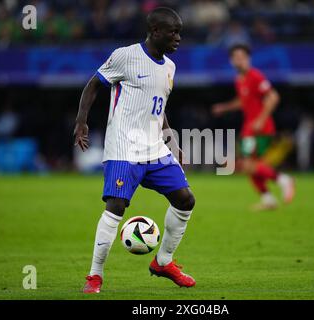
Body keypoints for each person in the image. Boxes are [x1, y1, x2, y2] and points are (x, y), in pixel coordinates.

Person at [73, 7, 196, 294]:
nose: (178, 38)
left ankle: (163, 262)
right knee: (116, 206)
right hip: (124, 147)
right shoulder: (125, 56)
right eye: (173, 32)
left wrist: (171, 141)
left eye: (180, 32)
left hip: (154, 148)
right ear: (155, 32)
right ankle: (94, 276)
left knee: (185, 199)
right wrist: (81, 121)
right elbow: (93, 85)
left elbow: (159, 108)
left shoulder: (170, 67)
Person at [212, 44, 294, 211]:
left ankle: (283, 180)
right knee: (251, 166)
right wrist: (224, 107)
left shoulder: (255, 76)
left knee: (247, 164)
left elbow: (273, 97)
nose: (238, 60)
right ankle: (268, 199)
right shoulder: (239, 80)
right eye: (235, 57)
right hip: (249, 128)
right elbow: (243, 101)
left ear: (248, 58)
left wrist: (261, 120)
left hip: (259, 129)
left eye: (241, 57)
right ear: (231, 61)